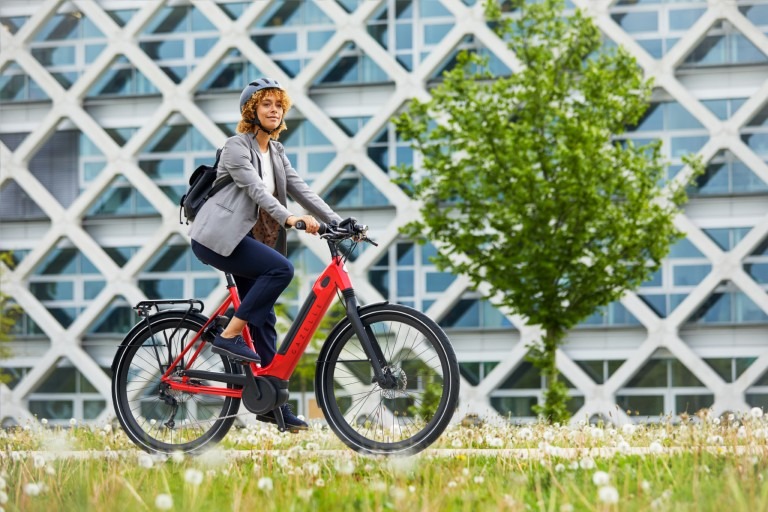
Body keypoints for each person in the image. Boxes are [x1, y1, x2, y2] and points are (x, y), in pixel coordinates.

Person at [189, 78, 343, 430]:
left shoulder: (276, 151)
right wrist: (289, 218)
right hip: (216, 238)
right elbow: (257, 191)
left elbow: (300, 189)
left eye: (279, 105)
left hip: (246, 239)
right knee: (280, 270)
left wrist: (337, 221)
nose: (274, 111)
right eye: (266, 105)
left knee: (265, 319)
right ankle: (227, 337)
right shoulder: (236, 147)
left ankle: (272, 402)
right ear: (251, 111)